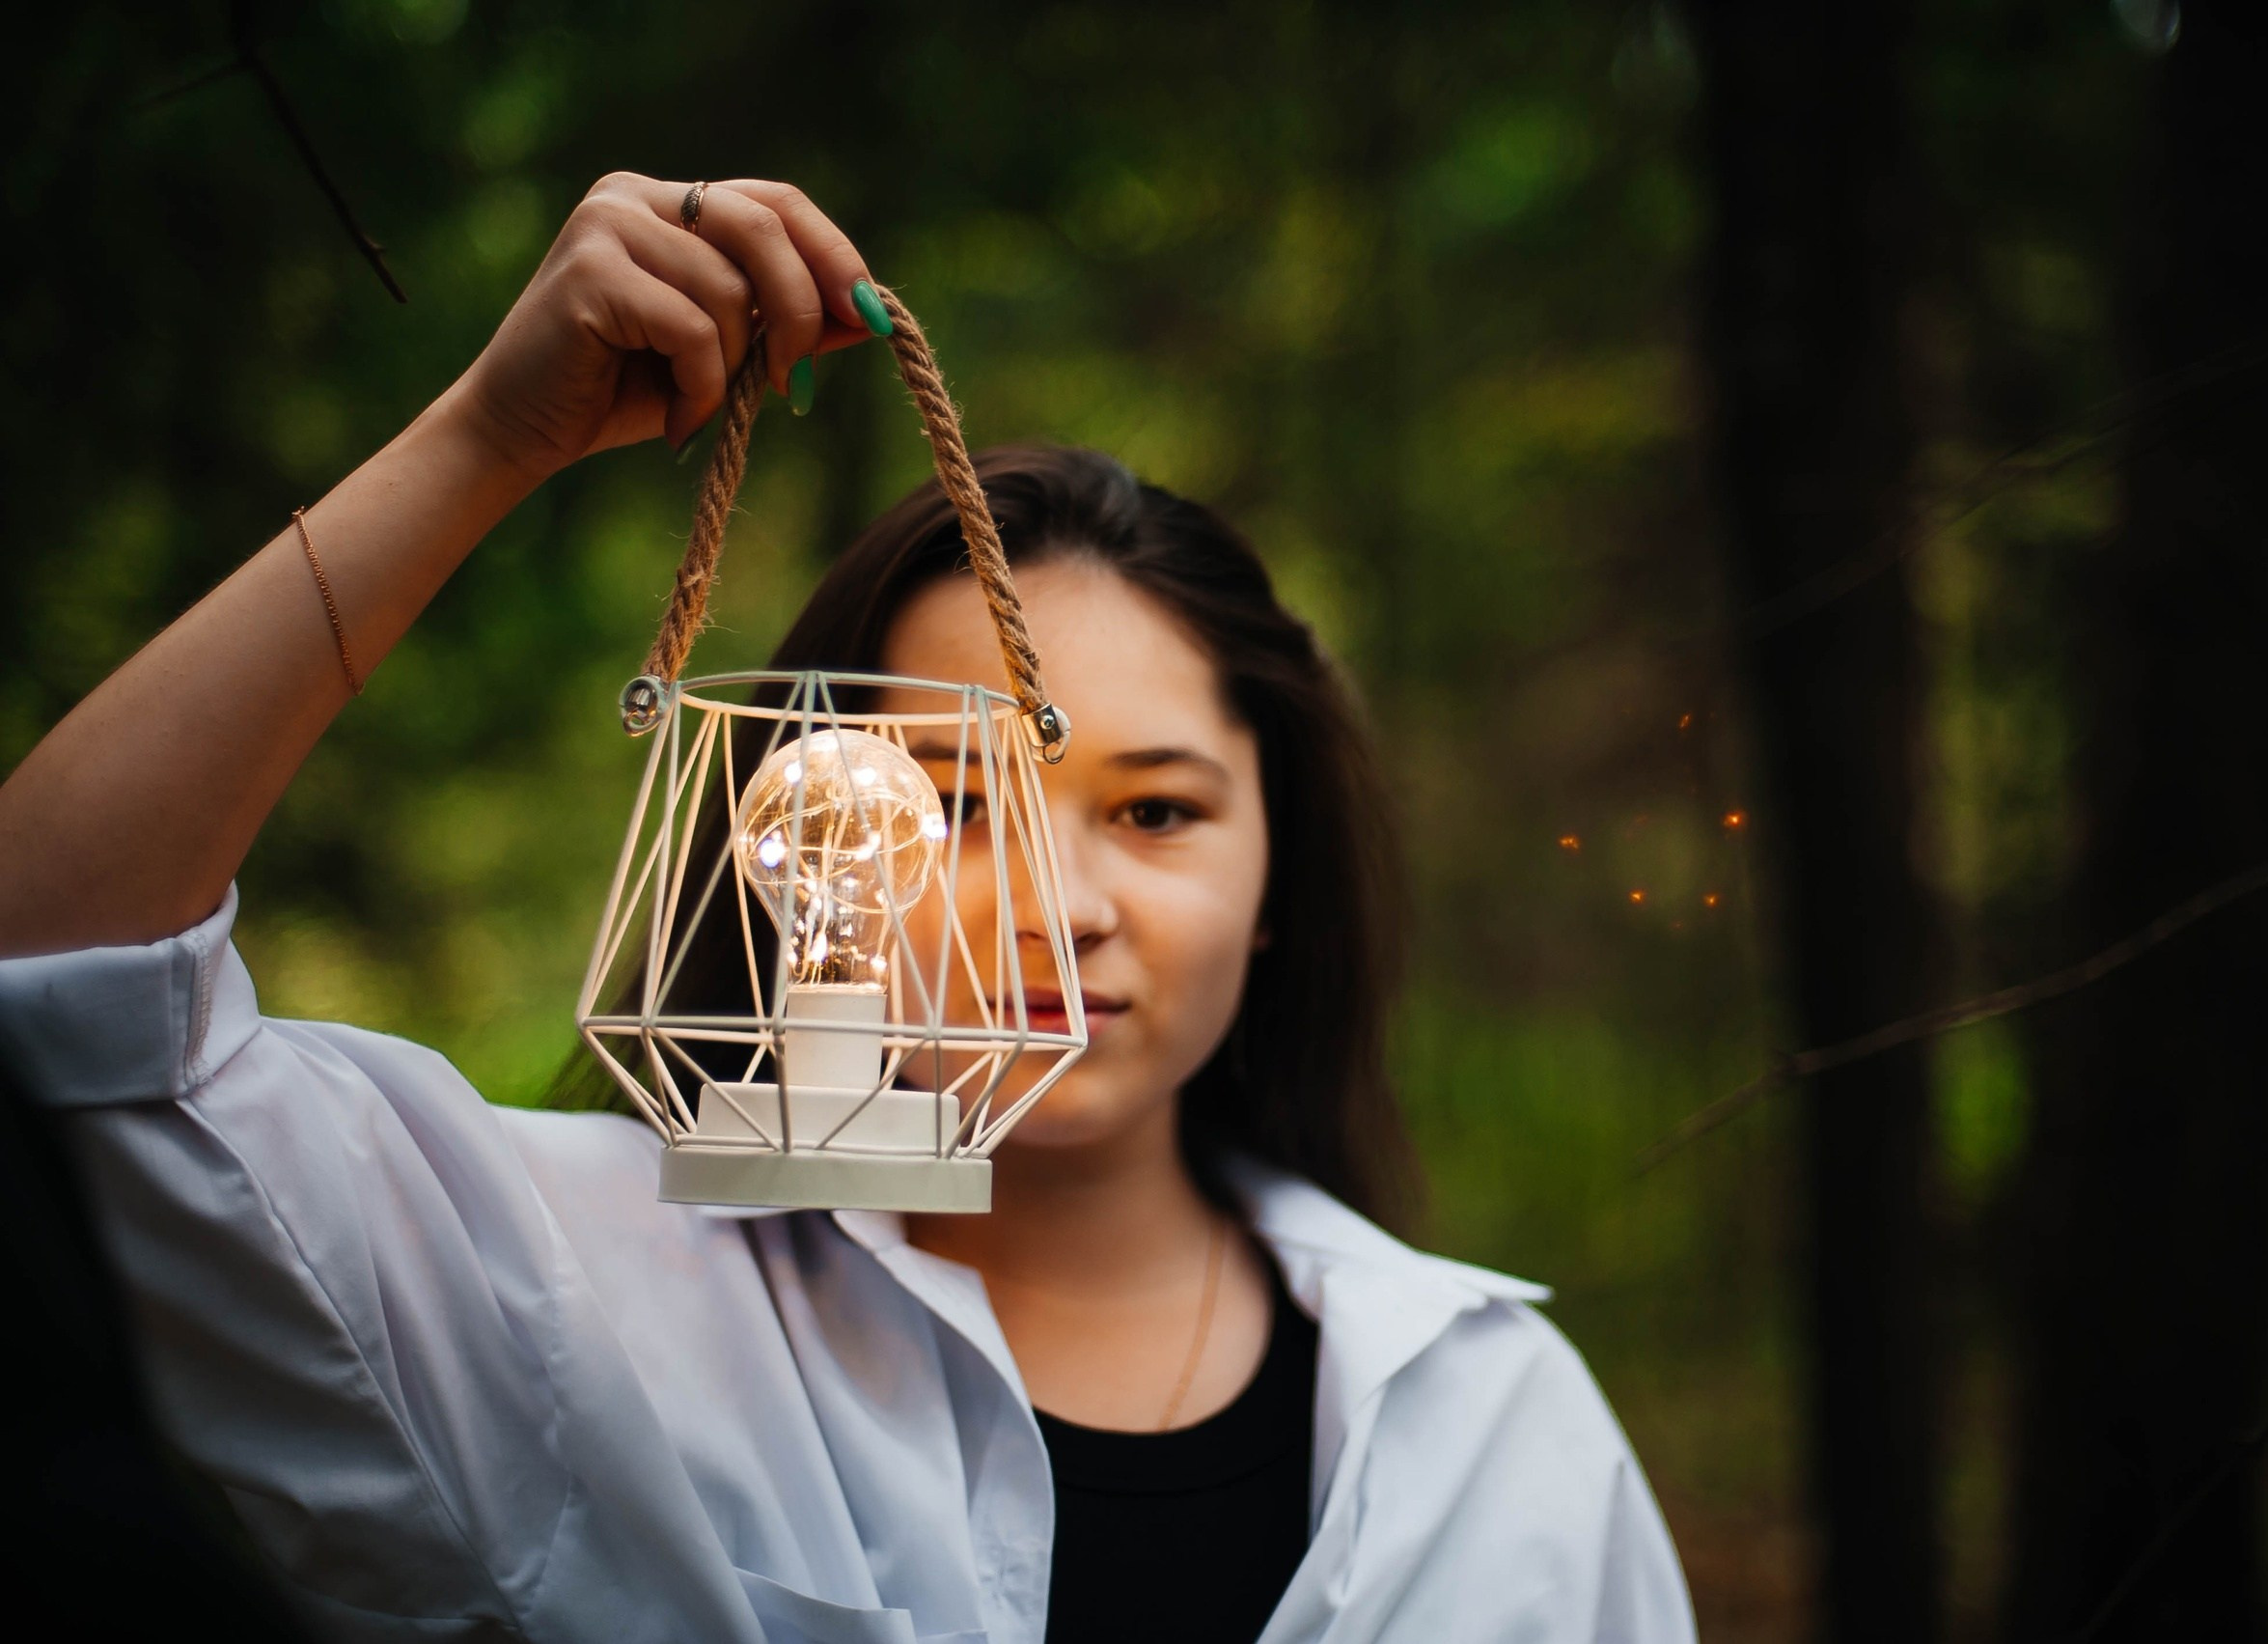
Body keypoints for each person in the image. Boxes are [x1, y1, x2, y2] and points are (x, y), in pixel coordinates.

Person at [0, 173, 1693, 1643]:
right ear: (798, 850)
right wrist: (490, 439)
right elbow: (61, 974)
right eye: (956, 806)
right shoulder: (574, 1296)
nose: (1068, 904)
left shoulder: (1495, 1431)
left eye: (1159, 810)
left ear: (1277, 881)